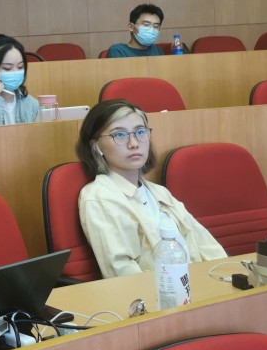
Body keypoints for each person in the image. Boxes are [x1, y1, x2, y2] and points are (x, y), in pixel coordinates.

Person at [75, 99, 225, 278]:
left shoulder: (159, 192)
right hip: (160, 291)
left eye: (140, 132)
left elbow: (207, 245)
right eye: (120, 135)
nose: (133, 143)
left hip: (199, 283)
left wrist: (226, 277)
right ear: (96, 146)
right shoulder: (99, 197)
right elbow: (121, 273)